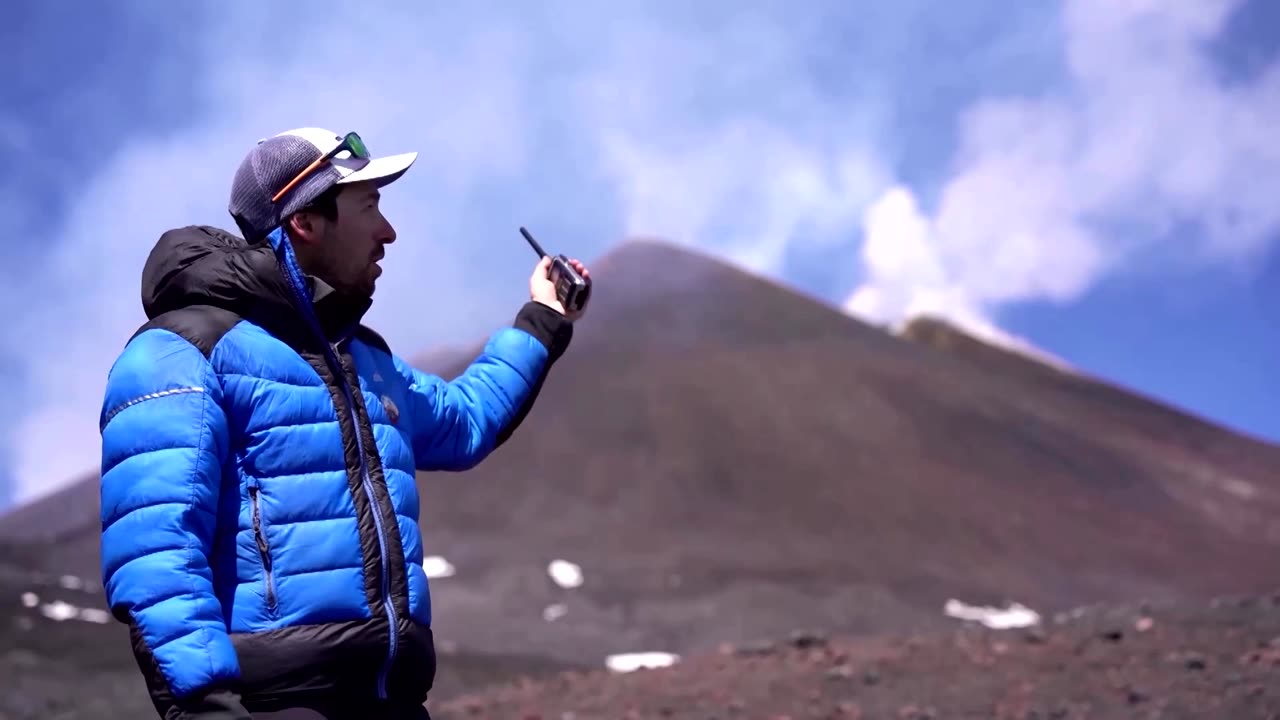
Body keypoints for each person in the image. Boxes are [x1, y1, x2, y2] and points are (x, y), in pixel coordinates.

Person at [97, 127, 590, 720]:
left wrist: (544, 316)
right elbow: (155, 548)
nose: (389, 232)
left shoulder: (362, 359)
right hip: (273, 707)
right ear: (306, 221)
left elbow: (463, 421)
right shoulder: (184, 351)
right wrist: (206, 707)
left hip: (393, 702)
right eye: (370, 206)